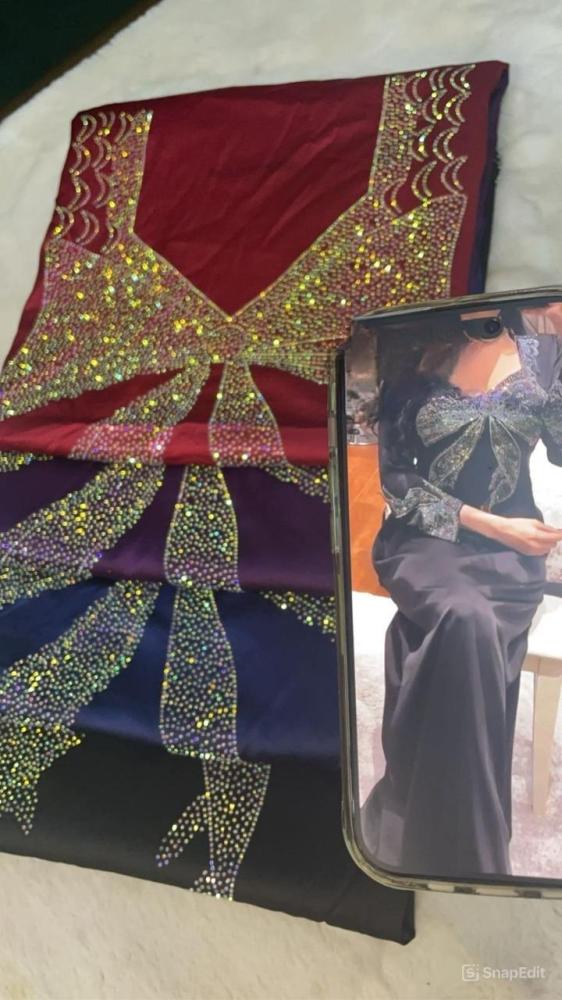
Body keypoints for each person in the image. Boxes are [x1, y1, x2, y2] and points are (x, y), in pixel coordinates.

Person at [360, 303, 562, 878]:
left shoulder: (543, 355)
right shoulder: (414, 346)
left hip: (511, 559)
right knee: (464, 619)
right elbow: (399, 484)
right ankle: (468, 850)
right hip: (426, 541)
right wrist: (494, 525)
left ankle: (420, 824)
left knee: (464, 634)